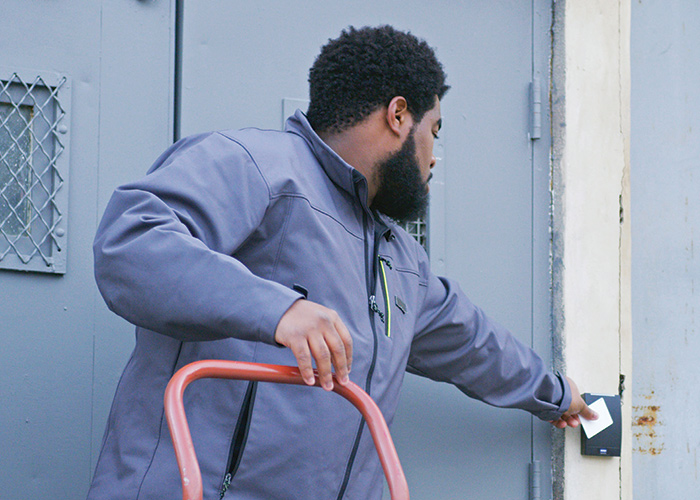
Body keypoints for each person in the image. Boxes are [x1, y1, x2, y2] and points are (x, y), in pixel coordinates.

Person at [87, 25, 595, 500]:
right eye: (435, 130)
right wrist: (277, 309)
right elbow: (131, 244)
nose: (434, 155)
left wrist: (558, 394)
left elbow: (473, 343)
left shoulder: (400, 258)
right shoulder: (257, 165)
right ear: (398, 116)